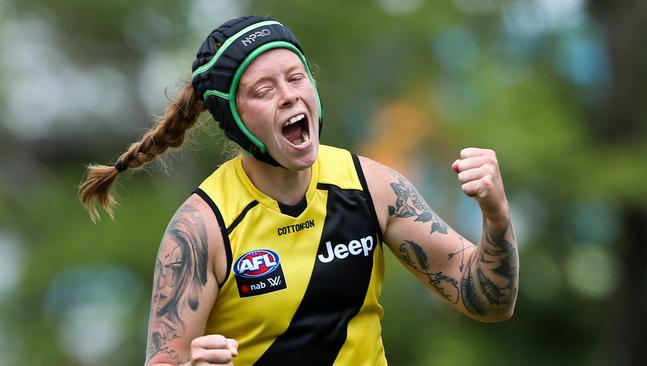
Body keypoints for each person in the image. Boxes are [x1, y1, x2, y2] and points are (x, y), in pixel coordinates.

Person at [78, 15, 519, 366]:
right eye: (264, 90)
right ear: (233, 119)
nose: (288, 96)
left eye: (296, 77)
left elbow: (485, 300)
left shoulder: (370, 186)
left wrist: (496, 217)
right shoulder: (201, 228)